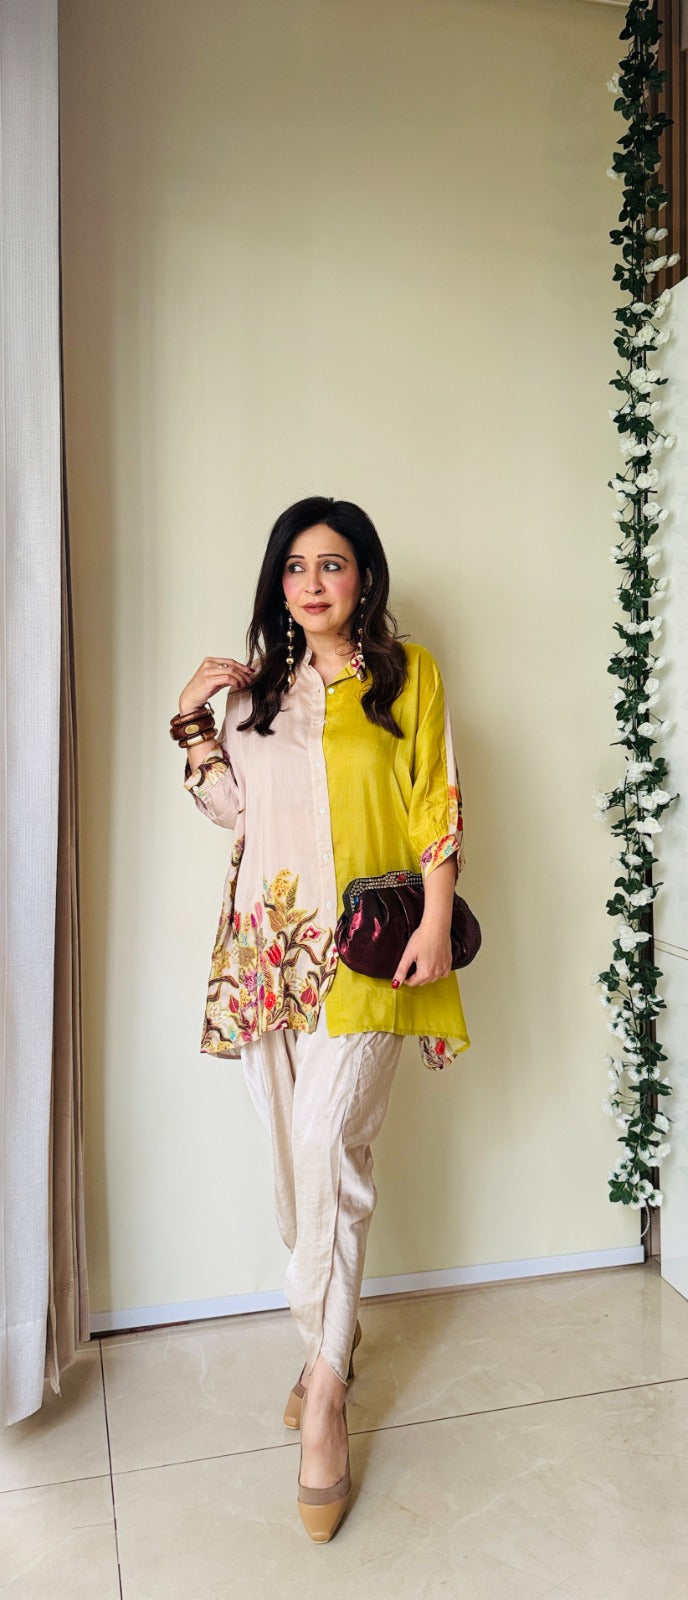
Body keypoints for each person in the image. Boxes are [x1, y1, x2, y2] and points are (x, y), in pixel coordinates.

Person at [172, 495, 471, 1541]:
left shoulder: (408, 674)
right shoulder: (256, 693)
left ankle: (327, 1400)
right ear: (278, 584)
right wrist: (192, 721)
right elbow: (232, 814)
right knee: (296, 1174)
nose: (312, 583)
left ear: (364, 579)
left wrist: (436, 917)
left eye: (332, 564)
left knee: (326, 1150)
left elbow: (436, 799)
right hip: (269, 954)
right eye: (295, 566)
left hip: (372, 953)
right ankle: (330, 1342)